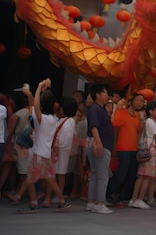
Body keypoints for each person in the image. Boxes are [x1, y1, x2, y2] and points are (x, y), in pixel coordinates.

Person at [7, 79, 71, 213]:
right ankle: (61, 201)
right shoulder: (52, 119)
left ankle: (31, 202)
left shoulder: (41, 118)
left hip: (39, 154)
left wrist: (38, 88)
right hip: (45, 154)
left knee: (29, 178)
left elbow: (34, 107)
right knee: (50, 179)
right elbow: (34, 106)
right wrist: (34, 93)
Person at [107, 92, 144, 204]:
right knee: (121, 172)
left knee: (131, 174)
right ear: (131, 101)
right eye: (138, 100)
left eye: (142, 101)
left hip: (134, 148)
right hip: (123, 148)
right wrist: (118, 108)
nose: (140, 103)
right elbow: (115, 123)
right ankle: (108, 193)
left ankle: (124, 197)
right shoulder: (123, 112)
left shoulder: (138, 116)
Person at [42, 97, 78, 207]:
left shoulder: (59, 121)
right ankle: (58, 196)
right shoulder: (72, 121)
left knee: (51, 174)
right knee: (61, 174)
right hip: (64, 151)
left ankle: (48, 198)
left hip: (56, 150)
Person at [85, 84, 115, 214]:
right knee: (102, 175)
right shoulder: (96, 109)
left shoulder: (97, 109)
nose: (107, 94)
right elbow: (94, 127)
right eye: (105, 91)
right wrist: (99, 142)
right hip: (100, 143)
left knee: (96, 174)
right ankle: (99, 203)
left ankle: (92, 202)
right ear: (98, 94)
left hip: (96, 142)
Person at [129, 101, 156, 209]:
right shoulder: (151, 122)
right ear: (151, 111)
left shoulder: (147, 122)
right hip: (151, 150)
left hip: (146, 149)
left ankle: (134, 198)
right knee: (146, 176)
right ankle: (139, 199)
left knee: (142, 175)